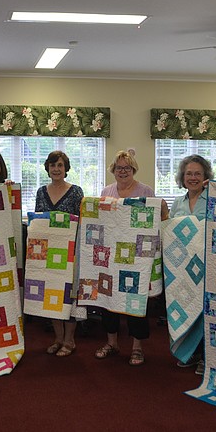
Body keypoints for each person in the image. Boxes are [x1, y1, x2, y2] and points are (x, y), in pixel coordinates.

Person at [94, 149, 168, 366]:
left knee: (136, 301)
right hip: (111, 257)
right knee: (109, 299)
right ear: (113, 170)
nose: (123, 171)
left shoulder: (145, 190)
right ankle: (112, 343)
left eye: (127, 168)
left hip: (137, 256)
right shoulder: (107, 191)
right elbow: (101, 220)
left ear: (133, 169)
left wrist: (162, 208)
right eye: (119, 168)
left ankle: (137, 347)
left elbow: (158, 220)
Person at [34, 151, 84, 357]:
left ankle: (70, 340)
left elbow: (82, 221)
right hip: (47, 252)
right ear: (47, 168)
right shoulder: (41, 191)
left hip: (69, 252)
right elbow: (38, 219)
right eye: (53, 165)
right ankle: (58, 338)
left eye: (60, 165)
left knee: (68, 296)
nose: (56, 169)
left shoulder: (75, 191)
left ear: (66, 168)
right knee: (51, 294)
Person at [168, 154, 214, 376]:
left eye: (198, 173)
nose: (193, 178)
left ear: (206, 177)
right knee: (186, 307)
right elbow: (169, 231)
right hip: (182, 267)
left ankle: (207, 357)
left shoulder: (214, 199)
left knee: (205, 311)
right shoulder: (178, 202)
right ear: (182, 177)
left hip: (207, 265)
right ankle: (190, 353)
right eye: (189, 174)